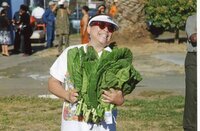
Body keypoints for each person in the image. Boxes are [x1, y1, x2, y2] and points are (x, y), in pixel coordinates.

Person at [48, 14, 124, 131]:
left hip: (103, 126)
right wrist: (67, 95)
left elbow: (120, 97)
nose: (106, 30)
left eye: (110, 28)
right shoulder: (71, 52)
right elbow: (52, 83)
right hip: (73, 125)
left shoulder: (116, 58)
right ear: (88, 29)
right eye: (102, 25)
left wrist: (116, 99)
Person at [183, 13, 197, 131]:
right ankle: (190, 127)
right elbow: (194, 38)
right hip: (194, 58)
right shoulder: (193, 18)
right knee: (193, 94)